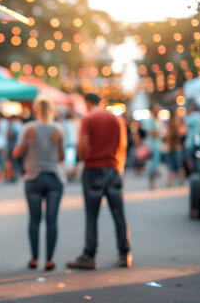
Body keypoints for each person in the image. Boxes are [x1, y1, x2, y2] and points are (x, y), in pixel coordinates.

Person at [67, 93, 131, 270]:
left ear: (87, 103)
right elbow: (123, 145)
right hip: (113, 168)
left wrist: (82, 158)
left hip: (93, 169)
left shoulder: (88, 119)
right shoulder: (117, 120)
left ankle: (89, 255)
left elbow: (83, 146)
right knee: (118, 213)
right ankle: (124, 253)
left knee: (92, 215)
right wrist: (119, 165)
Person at [12, 96, 65, 271]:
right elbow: (61, 157)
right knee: (52, 221)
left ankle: (34, 259)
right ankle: (49, 260)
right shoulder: (58, 129)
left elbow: (16, 153)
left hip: (33, 177)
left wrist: (29, 145)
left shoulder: (29, 129)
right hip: (54, 177)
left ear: (35, 110)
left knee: (34, 220)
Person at [164, 114, 187, 187]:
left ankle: (171, 182)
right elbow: (183, 133)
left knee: (173, 166)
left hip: (173, 148)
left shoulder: (171, 126)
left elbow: (167, 137)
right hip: (175, 147)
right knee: (177, 165)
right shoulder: (177, 126)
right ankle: (179, 181)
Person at [145, 103, 163, 189]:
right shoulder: (151, 119)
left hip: (157, 144)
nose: (158, 108)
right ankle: (151, 181)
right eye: (157, 107)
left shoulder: (156, 119)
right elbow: (151, 132)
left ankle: (153, 182)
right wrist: (160, 133)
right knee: (154, 164)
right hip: (153, 145)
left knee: (155, 164)